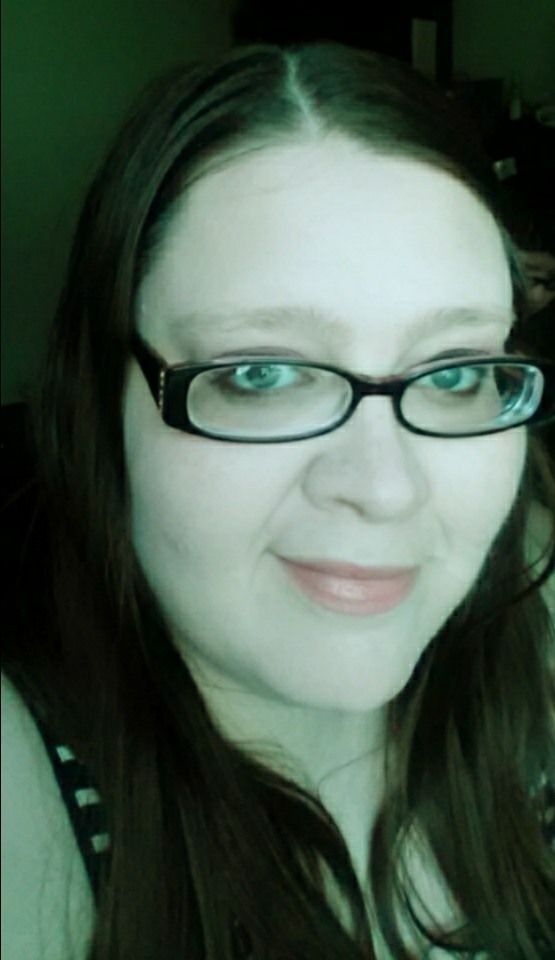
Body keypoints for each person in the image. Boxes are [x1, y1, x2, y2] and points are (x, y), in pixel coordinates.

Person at [2, 41, 555, 960]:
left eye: (453, 372)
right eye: (260, 374)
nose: (385, 489)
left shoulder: (532, 626)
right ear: (102, 399)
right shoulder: (25, 799)